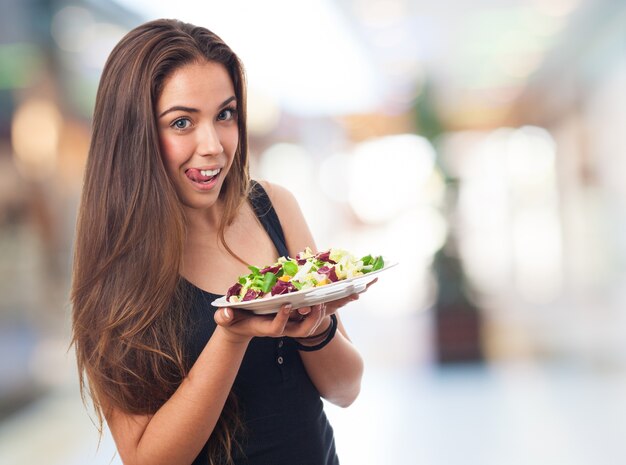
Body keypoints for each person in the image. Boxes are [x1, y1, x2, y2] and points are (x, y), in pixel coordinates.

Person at [71, 18, 370, 465]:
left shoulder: (275, 208)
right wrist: (231, 339)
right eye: (182, 122)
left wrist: (317, 327)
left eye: (224, 115)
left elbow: (346, 390)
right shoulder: (114, 268)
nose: (212, 145)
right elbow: (147, 459)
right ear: (134, 136)